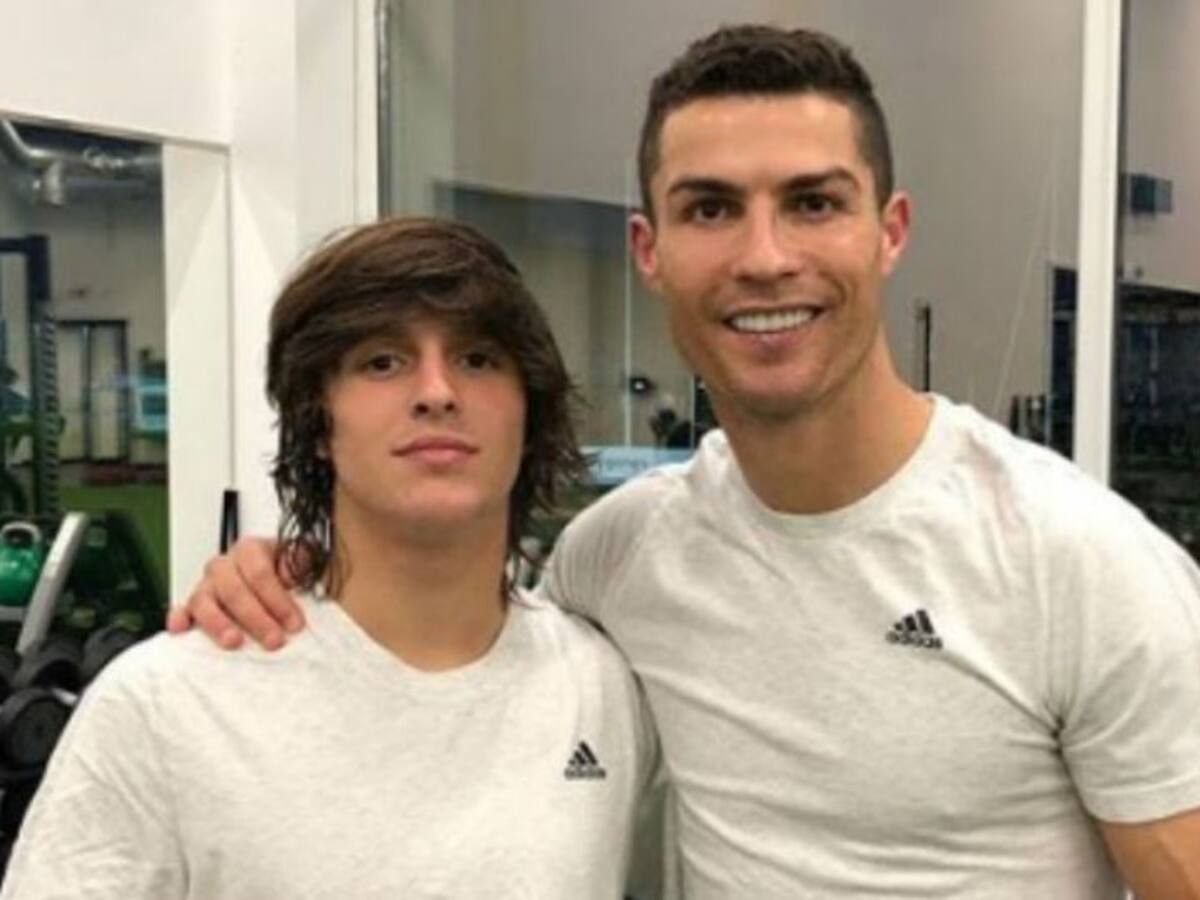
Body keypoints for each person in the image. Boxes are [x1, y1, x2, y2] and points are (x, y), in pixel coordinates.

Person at [175, 25, 1200, 898]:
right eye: (711, 208)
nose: (765, 257)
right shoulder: (618, 556)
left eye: (813, 202)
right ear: (649, 249)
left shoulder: (1077, 559)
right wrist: (292, 578)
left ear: (889, 232)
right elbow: (452, 648)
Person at [1, 218, 660, 899]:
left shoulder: (601, 689)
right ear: (317, 422)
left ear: (528, 412)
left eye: (477, 358)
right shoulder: (166, 703)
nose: (438, 391)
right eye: (383, 362)